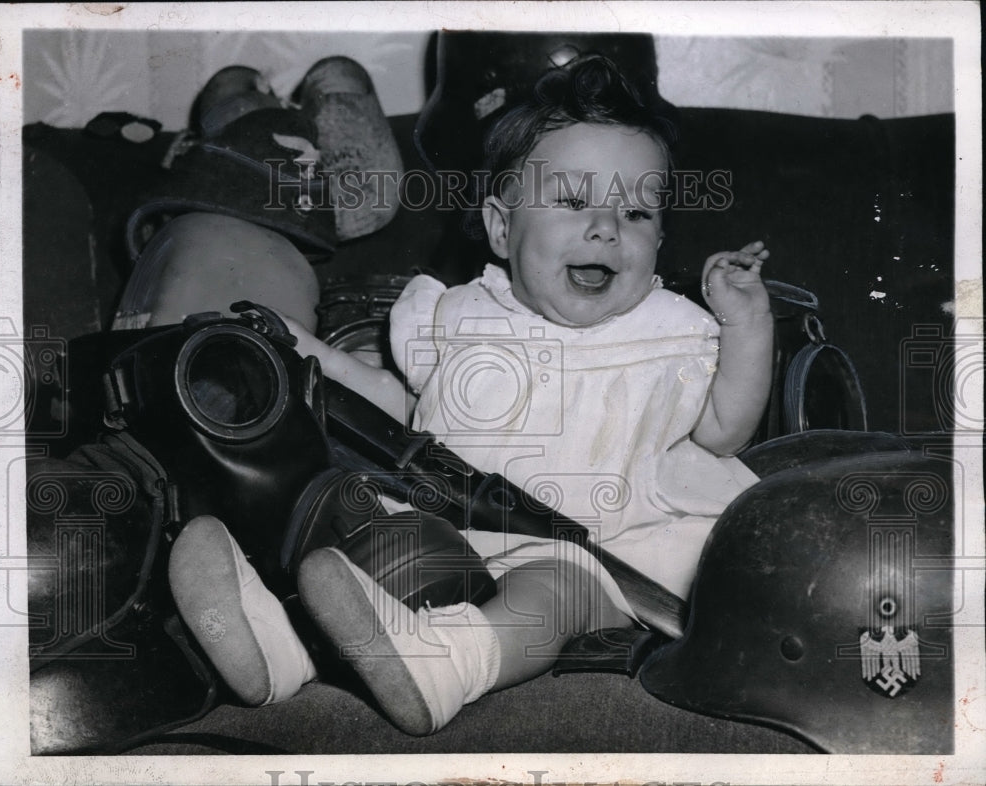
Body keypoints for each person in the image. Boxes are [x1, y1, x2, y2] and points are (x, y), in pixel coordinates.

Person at [168, 54, 773, 735]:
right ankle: (279, 646)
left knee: (553, 592)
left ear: (660, 238)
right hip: (441, 534)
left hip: (597, 555)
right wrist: (308, 355)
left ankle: (451, 663)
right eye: (573, 202)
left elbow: (725, 430)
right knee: (346, 543)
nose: (607, 227)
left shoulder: (671, 333)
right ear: (499, 228)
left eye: (636, 211)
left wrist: (746, 320)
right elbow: (401, 412)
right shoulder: (457, 315)